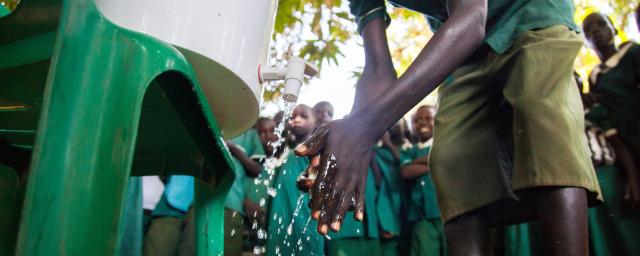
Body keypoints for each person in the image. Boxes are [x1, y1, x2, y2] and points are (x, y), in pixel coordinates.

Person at [294, 0, 601, 255]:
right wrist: (352, 142)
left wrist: (364, 130)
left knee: (543, 118)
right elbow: (377, 67)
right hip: (462, 46)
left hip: (528, 12)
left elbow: (472, 18)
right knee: (452, 159)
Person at [583, 12, 640, 171]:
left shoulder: (633, 52)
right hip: (628, 148)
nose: (595, 30)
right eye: (588, 29)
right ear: (585, 42)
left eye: (601, 24)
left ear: (613, 29)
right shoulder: (595, 77)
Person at [266, 105, 324, 256]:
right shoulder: (286, 152)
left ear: (316, 123)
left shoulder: (315, 150)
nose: (296, 119)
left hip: (305, 214)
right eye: (292, 117)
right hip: (281, 213)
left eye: (303, 116)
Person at [399, 106, 446, 256]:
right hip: (423, 217)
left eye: (428, 118)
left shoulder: (444, 143)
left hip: (449, 213)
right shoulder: (409, 151)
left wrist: (416, 163)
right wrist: (437, 164)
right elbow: (406, 171)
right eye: (417, 120)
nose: (422, 123)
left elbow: (450, 161)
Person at [374, 120, 411, 256]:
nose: (392, 124)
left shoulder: (410, 148)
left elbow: (405, 165)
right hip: (389, 204)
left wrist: (389, 144)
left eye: (398, 121)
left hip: (409, 202)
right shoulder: (377, 152)